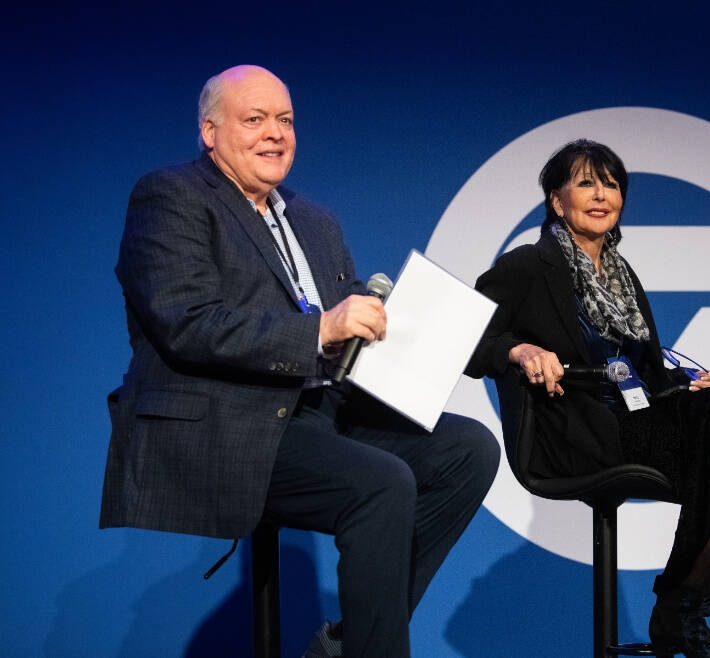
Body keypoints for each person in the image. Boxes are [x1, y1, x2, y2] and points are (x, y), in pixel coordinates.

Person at [99, 64, 499, 658]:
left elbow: (345, 306)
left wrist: (399, 324)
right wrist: (323, 328)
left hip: (319, 409)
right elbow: (186, 324)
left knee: (469, 449)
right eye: (254, 119)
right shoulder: (172, 196)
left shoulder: (312, 219)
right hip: (229, 422)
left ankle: (347, 643)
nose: (275, 133)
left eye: (284, 120)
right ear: (210, 132)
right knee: (381, 483)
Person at [466, 139, 710, 658]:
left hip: (637, 420)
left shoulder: (622, 275)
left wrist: (685, 386)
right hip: (576, 429)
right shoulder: (526, 267)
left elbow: (644, 372)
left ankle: (709, 593)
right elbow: (465, 340)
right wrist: (519, 349)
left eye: (611, 183)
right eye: (586, 182)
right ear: (557, 202)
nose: (602, 194)